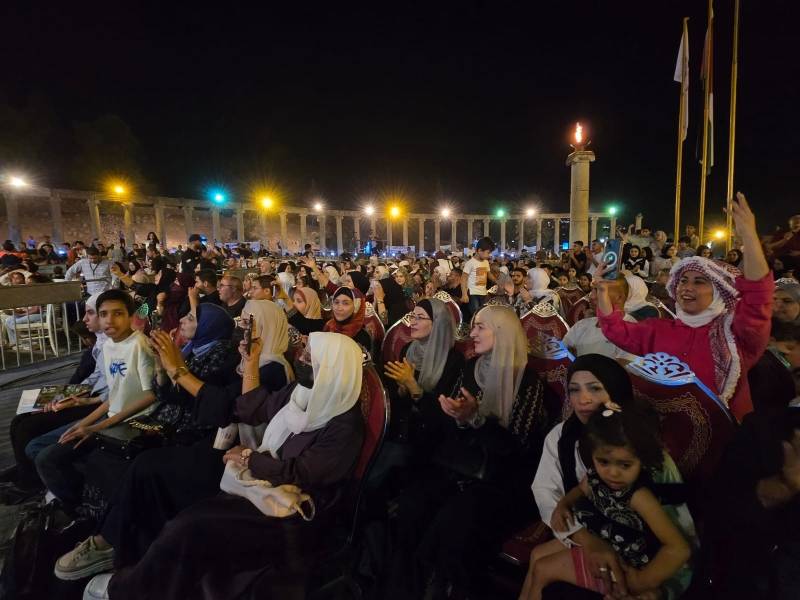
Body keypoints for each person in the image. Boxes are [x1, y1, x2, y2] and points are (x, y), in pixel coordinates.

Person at [84, 332, 366, 600]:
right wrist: (251, 362)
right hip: (262, 481)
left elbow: (301, 475)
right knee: (169, 498)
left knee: (189, 527)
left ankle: (128, 591)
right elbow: (251, 409)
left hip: (291, 510)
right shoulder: (302, 393)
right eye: (304, 352)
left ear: (333, 371)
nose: (301, 358)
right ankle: (142, 574)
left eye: (310, 357)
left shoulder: (345, 426)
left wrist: (249, 458)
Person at [389, 305, 560, 598]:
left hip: (500, 478)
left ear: (502, 333)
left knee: (455, 522)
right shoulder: (471, 368)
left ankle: (447, 587)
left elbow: (517, 449)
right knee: (412, 505)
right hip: (460, 465)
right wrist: (455, 415)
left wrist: (476, 420)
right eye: (473, 326)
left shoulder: (527, 382)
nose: (472, 333)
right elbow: (446, 425)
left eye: (481, 327)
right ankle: (407, 587)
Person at [526, 354, 696, 600]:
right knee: (537, 557)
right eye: (574, 390)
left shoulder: (643, 452)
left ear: (616, 392)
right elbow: (547, 492)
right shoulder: (563, 437)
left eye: (595, 388)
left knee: (545, 571)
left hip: (637, 555)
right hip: (592, 532)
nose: (583, 399)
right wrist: (587, 540)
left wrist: (656, 587)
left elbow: (680, 535)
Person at [596, 192, 774, 421]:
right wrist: (603, 292)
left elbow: (758, 296)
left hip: (724, 437)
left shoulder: (735, 334)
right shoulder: (659, 329)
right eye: (682, 281)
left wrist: (749, 235)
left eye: (699, 282)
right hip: (665, 436)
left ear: (719, 291)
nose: (687, 288)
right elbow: (615, 329)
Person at [34, 290, 157, 511]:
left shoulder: (139, 345)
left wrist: (96, 428)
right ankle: (79, 504)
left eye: (118, 313)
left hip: (136, 422)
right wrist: (84, 423)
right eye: (103, 314)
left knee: (48, 458)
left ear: (131, 316)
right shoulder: (108, 346)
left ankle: (79, 510)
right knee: (50, 450)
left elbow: (150, 396)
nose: (109, 320)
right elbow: (115, 395)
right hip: (112, 418)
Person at [380, 299, 464, 476]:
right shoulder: (408, 350)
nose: (413, 322)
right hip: (404, 428)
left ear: (437, 324)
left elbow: (442, 414)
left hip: (433, 438)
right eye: (413, 316)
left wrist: (412, 385)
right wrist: (401, 389)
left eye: (420, 317)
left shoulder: (453, 360)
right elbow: (399, 401)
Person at [563, 278, 637, 361]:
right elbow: (560, 352)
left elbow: (622, 366)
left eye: (600, 290)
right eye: (592, 290)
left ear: (619, 297)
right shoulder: (583, 324)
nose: (591, 296)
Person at [324, 286, 373, 353]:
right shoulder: (329, 326)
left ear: (356, 307)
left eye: (346, 303)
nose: (339, 308)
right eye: (336, 302)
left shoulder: (362, 338)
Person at [462, 237, 495, 317]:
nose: (489, 255)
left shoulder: (486, 262)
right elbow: (463, 279)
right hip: (473, 293)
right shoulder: (470, 263)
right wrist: (464, 294)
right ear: (480, 250)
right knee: (476, 314)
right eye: (488, 253)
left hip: (483, 293)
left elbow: (488, 274)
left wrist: (497, 281)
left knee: (482, 314)